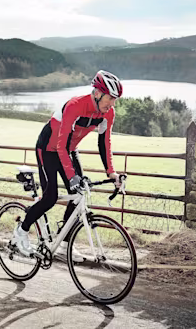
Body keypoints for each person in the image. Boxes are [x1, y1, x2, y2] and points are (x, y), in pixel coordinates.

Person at [13, 70, 123, 256]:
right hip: (48, 148)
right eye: (110, 98)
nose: (113, 104)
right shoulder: (75, 106)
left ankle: (64, 244)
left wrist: (111, 172)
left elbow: (104, 143)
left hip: (68, 150)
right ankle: (21, 231)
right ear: (97, 93)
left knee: (78, 194)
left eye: (115, 99)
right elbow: (60, 145)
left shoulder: (108, 113)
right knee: (50, 197)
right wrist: (72, 177)